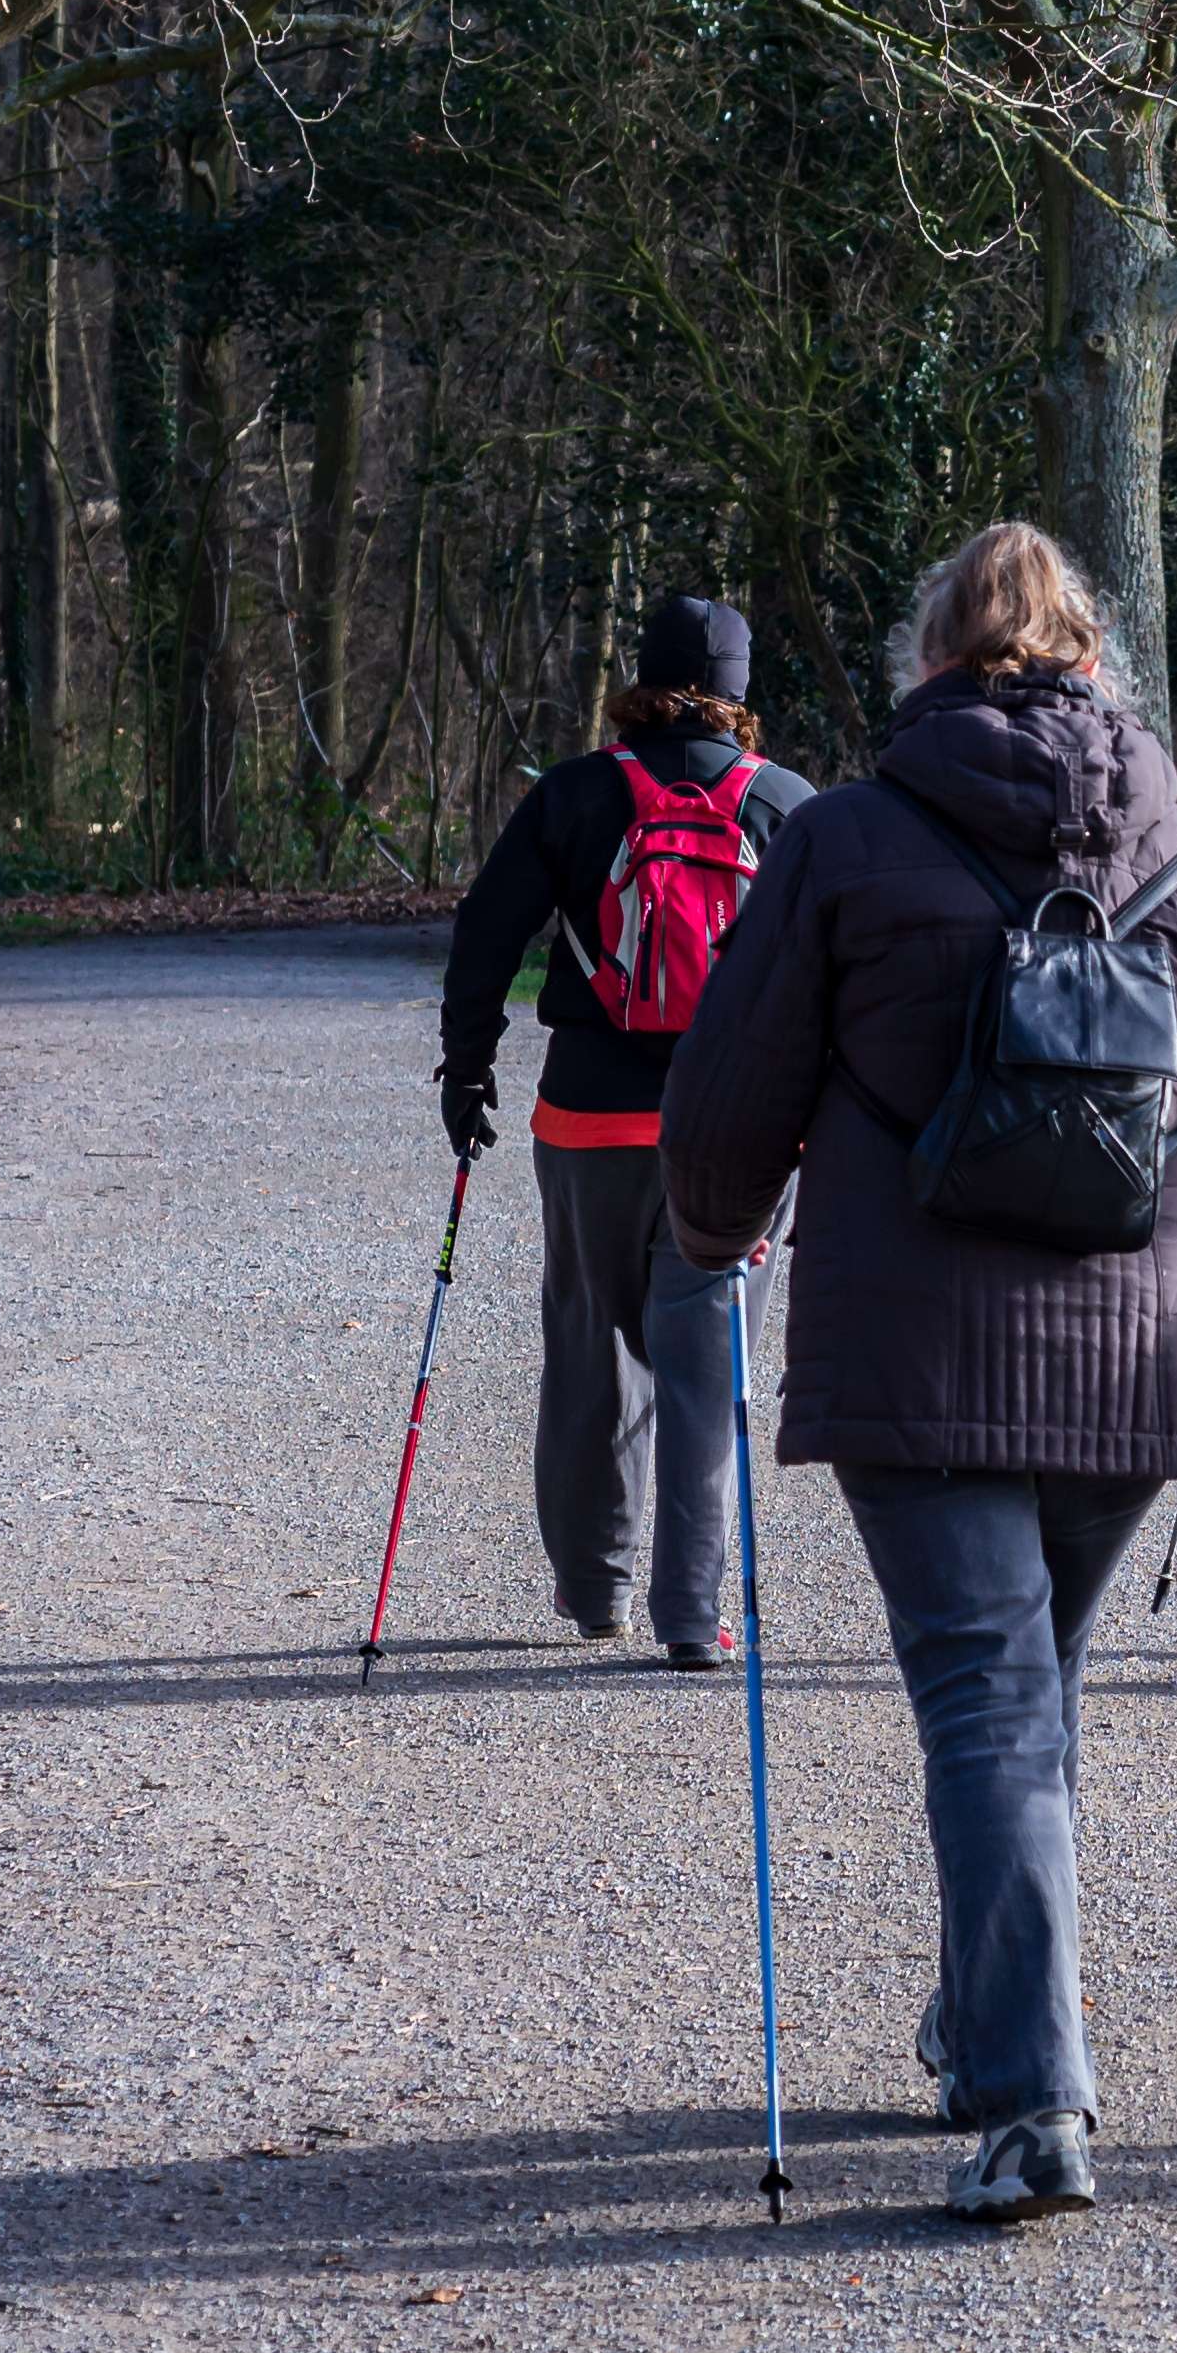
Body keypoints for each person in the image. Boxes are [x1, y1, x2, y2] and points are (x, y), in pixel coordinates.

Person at [656, 522, 1177, 2227]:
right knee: (1026, 1692)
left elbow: (732, 1096)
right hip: (1140, 1363)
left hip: (915, 1344)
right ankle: (989, 2019)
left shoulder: (839, 845)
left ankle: (1036, 2098)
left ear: (932, 661)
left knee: (992, 1697)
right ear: (1092, 661)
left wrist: (707, 1228)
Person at [440, 597, 820, 1670]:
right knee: (708, 1365)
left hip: (588, 1113)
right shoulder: (790, 806)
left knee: (591, 1346)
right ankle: (692, 1616)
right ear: (743, 692)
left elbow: (484, 934)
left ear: (638, 677)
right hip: (734, 1134)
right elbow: (839, 979)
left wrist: (466, 1070)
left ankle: (594, 1587)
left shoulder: (573, 792)